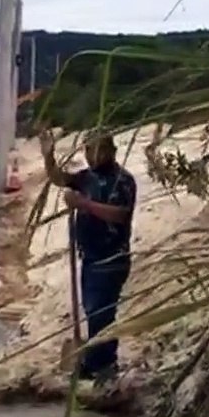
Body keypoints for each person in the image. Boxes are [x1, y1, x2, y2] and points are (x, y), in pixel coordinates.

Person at [39, 129, 136, 382]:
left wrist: (84, 204)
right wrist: (48, 156)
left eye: (99, 150)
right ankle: (96, 361)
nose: (94, 156)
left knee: (101, 312)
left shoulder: (123, 180)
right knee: (93, 310)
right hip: (90, 256)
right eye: (89, 150)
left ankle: (101, 364)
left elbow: (120, 214)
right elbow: (59, 178)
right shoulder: (86, 177)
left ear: (112, 151)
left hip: (112, 257)